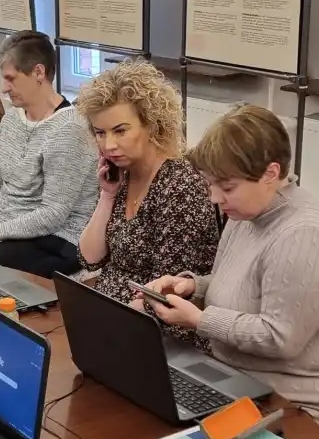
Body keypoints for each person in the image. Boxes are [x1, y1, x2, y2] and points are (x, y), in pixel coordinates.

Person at [136, 104, 319, 439]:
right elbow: (246, 285)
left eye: (227, 187)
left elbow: (279, 338)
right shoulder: (248, 212)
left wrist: (200, 320)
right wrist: (193, 287)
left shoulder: (306, 235)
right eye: (211, 185)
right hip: (247, 382)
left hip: (310, 404)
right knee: (148, 427)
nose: (215, 199)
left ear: (270, 173)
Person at [74, 60, 220, 347]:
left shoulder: (180, 185)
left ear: (151, 124)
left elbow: (166, 296)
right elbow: (90, 258)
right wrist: (107, 196)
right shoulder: (123, 175)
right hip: (115, 317)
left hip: (159, 334)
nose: (108, 145)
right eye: (100, 133)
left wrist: (107, 324)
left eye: (120, 130)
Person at [0, 31, 99, 277]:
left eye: (11, 79)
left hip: (54, 240)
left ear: (38, 73)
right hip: (4, 229)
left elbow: (53, 215)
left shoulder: (70, 130)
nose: (4, 88)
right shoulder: (13, 117)